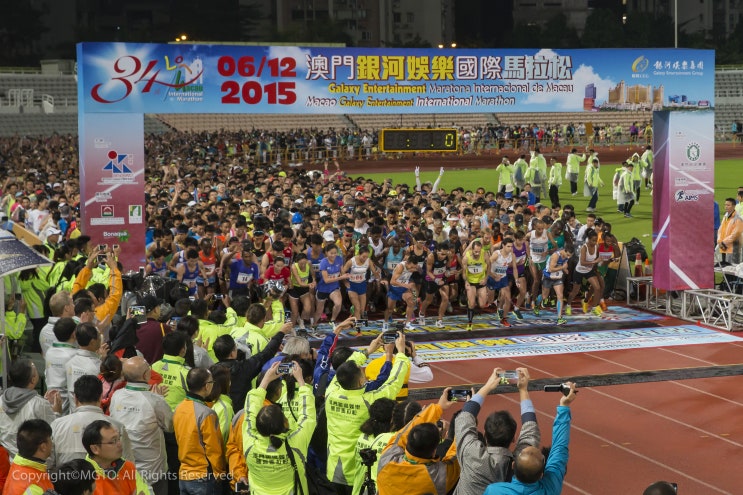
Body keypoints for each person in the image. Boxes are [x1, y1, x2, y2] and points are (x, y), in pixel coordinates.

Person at [325, 332, 411, 494]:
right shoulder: (369, 401)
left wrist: (367, 351)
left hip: (333, 468)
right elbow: (395, 381)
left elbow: (344, 369)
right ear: (360, 381)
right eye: (362, 373)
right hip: (356, 471)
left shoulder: (331, 392)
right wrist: (398, 354)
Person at [455, 367, 540, 495]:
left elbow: (464, 417)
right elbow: (530, 429)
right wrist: (523, 389)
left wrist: (488, 386)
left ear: (484, 434)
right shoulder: (520, 464)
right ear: (514, 438)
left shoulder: (471, 453)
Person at [483, 382, 578, 495]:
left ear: (513, 466)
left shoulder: (494, 490)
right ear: (542, 474)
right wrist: (564, 406)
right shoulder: (551, 488)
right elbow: (559, 448)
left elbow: (560, 449)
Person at [243, 360, 317, 495]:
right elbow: (308, 415)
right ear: (285, 423)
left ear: (258, 425)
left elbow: (249, 410)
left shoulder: (250, 442)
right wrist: (301, 382)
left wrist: (265, 380)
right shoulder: (295, 443)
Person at [376, 388, 460, 495]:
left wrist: (438, 407)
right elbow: (457, 454)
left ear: (407, 443)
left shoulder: (386, 460)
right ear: (434, 451)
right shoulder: (438, 477)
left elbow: (403, 433)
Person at [109, 356, 174, 495]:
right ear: (146, 375)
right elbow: (170, 426)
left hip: (124, 467)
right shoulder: (154, 400)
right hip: (153, 470)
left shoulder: (116, 396)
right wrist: (160, 399)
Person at [50, 374, 134, 469]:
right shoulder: (116, 427)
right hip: (106, 482)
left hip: (64, 481)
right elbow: (128, 465)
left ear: (75, 398)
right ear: (100, 397)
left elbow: (48, 463)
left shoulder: (57, 425)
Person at [173, 368, 227, 495]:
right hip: (203, 478)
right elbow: (214, 450)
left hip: (183, 475)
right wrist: (220, 475)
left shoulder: (179, 408)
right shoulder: (207, 414)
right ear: (207, 386)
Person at [0, 359, 61, 457]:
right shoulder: (39, 404)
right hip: (30, 462)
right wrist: (57, 413)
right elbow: (53, 433)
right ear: (33, 380)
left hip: (7, 460)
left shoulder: (1, 400)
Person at [81, 420, 150, 495]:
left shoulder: (127, 466)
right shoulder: (83, 479)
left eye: (119, 438)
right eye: (113, 441)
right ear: (95, 449)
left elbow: (144, 491)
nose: (119, 444)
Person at [2, 419, 55, 495]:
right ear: (43, 447)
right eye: (50, 438)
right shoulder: (33, 488)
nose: (52, 443)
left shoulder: (18, 465)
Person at [134, 294, 170, 364]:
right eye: (159, 306)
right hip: (157, 371)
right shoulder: (162, 328)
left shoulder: (131, 327)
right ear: (155, 310)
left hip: (136, 370)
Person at [717, 197, 743, 265]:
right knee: (725, 271)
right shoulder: (725, 216)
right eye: (725, 205)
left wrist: (724, 242)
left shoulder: (738, 218)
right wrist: (719, 241)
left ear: (734, 206)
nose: (726, 207)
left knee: (733, 270)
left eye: (728, 205)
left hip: (734, 248)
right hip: (724, 247)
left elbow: (736, 234)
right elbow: (720, 229)